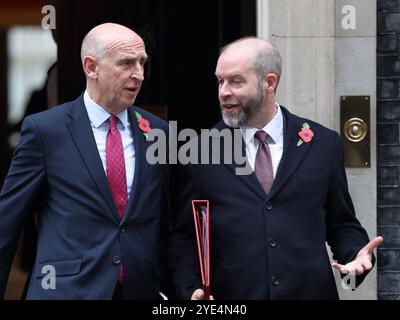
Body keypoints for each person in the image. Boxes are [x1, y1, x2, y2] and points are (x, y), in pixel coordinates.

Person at [169, 37, 383, 300]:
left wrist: (356, 257)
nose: (223, 91)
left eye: (236, 81)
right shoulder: (199, 152)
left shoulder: (323, 144)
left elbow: (342, 225)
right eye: (219, 81)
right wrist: (191, 291)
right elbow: (185, 239)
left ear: (269, 83)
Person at [0, 23, 170, 300]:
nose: (138, 74)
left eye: (141, 63)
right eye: (127, 63)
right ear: (91, 67)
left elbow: (165, 223)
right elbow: (7, 221)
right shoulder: (46, 131)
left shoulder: (158, 132)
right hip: (66, 291)